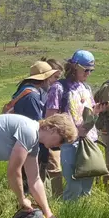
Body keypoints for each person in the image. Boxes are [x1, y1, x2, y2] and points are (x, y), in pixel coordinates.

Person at [45, 50, 104, 202]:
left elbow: (89, 112)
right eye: (86, 69)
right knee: (74, 185)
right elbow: (50, 119)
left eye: (91, 70)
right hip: (70, 142)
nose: (88, 73)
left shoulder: (86, 88)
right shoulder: (58, 88)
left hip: (88, 142)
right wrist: (70, 130)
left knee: (86, 187)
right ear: (74, 67)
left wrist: (96, 112)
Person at [8, 61, 61, 191]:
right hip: (28, 145)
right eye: (50, 77)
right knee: (31, 181)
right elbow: (37, 124)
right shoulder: (32, 96)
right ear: (43, 79)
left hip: (22, 143)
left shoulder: (26, 91)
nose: (51, 81)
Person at [40, 57, 67, 198]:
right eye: (55, 77)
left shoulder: (49, 90)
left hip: (48, 136)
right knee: (54, 169)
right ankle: (57, 198)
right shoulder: (44, 92)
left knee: (50, 168)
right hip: (47, 135)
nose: (57, 81)